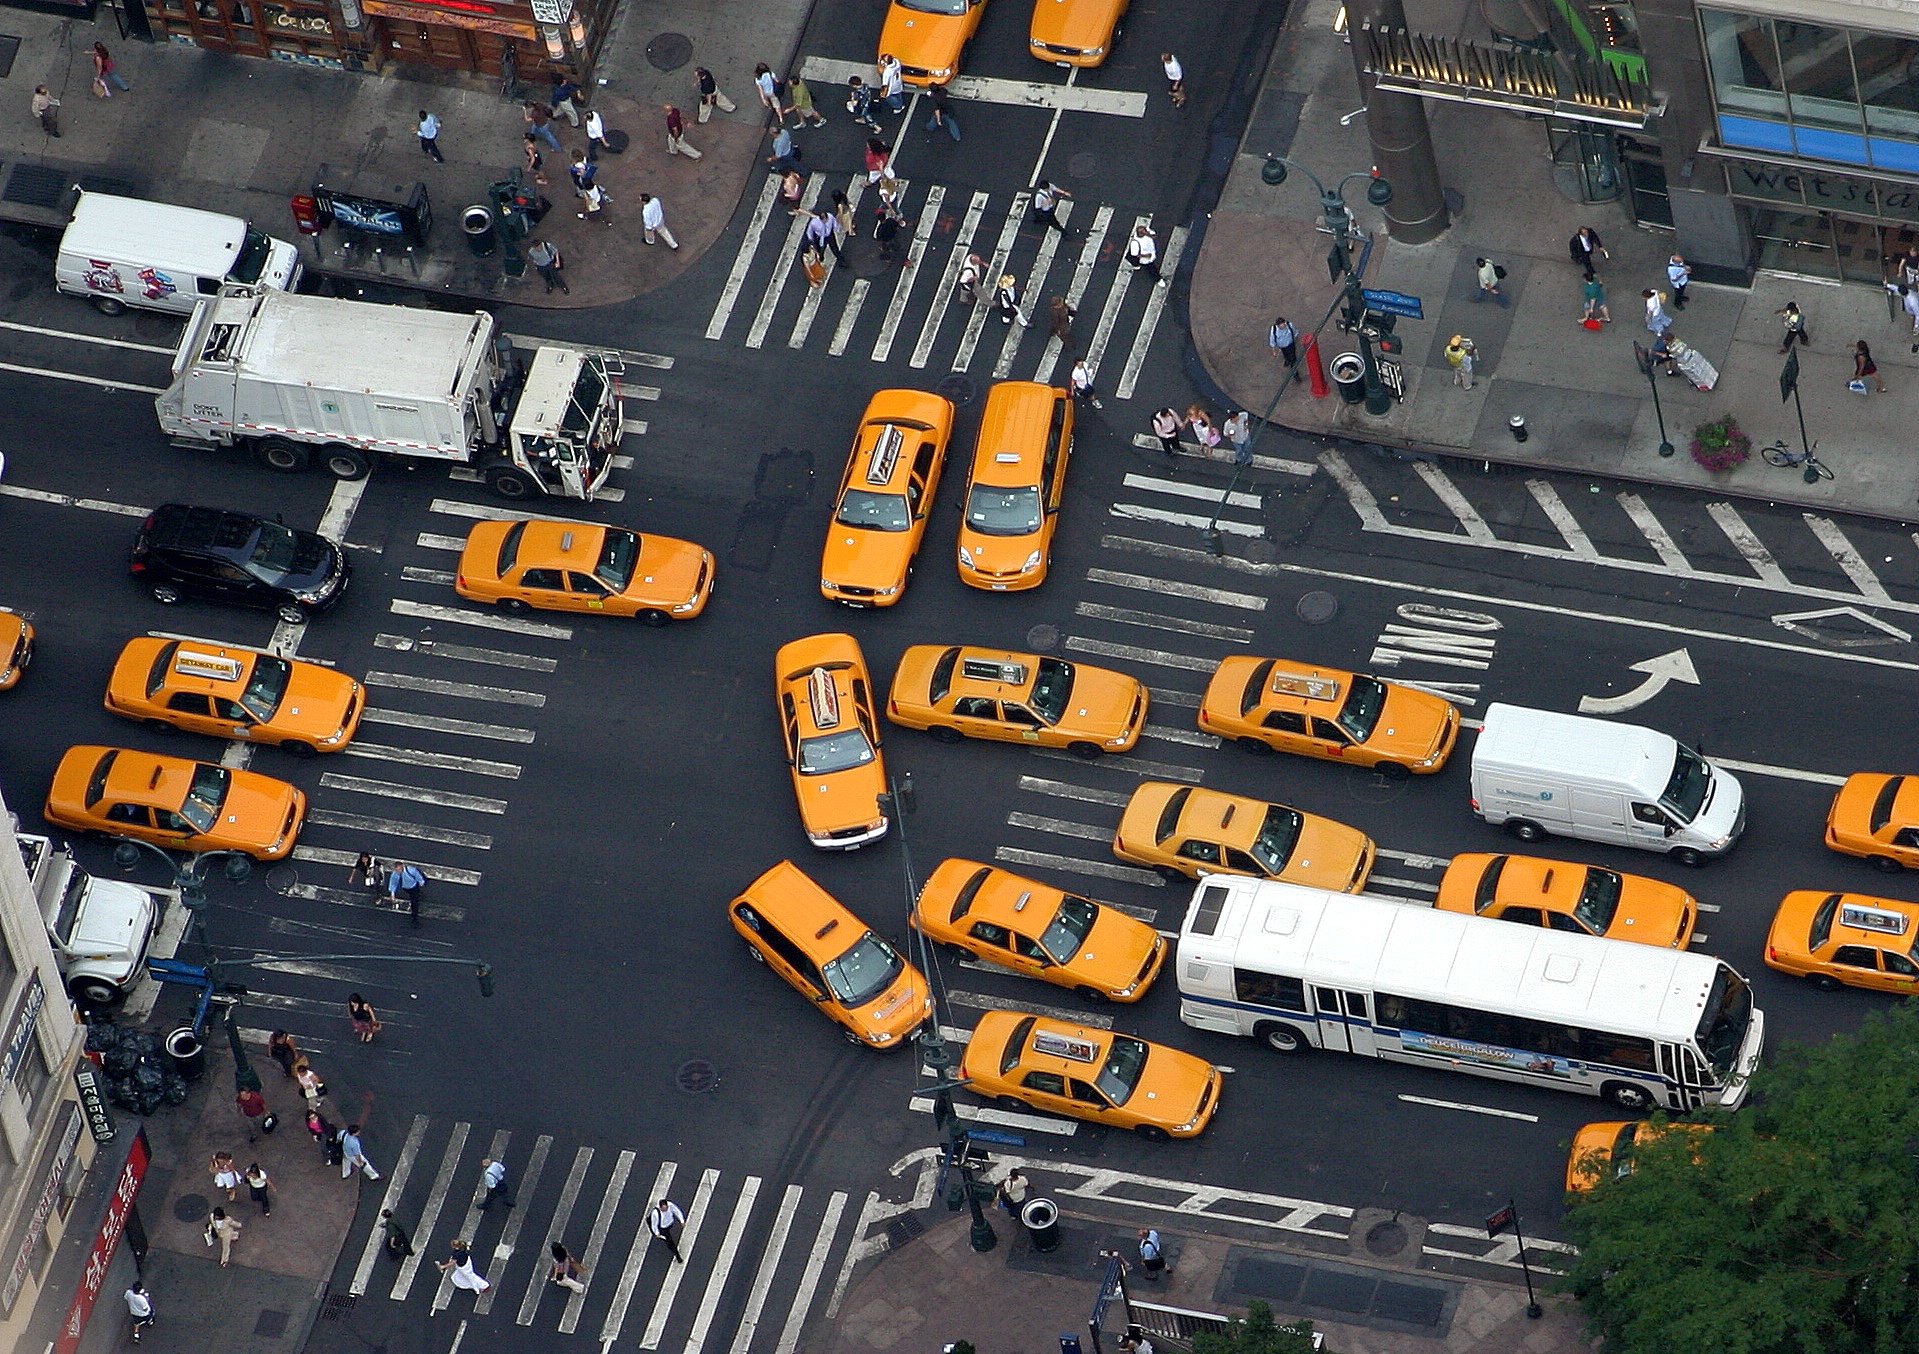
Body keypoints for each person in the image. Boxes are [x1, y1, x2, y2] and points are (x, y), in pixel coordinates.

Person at [649, 1198, 687, 1262]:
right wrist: (657, 1233)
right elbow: (654, 1224)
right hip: (663, 1228)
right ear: (660, 1207)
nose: (666, 1210)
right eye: (663, 1209)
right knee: (670, 1242)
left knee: (668, 1240)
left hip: (670, 1223)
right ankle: (677, 1255)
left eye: (666, 1208)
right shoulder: (655, 1213)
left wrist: (682, 1221)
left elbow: (677, 1211)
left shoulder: (670, 1205)